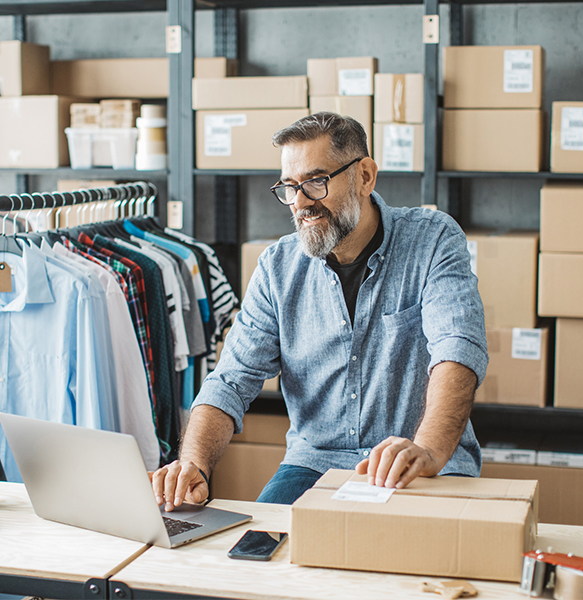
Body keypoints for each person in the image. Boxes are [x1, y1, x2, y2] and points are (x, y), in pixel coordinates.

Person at [152, 111, 488, 510]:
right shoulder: (278, 267)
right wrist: (193, 463)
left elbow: (457, 350)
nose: (300, 203)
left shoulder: (432, 240)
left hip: (417, 463)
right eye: (289, 188)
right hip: (314, 467)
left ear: (365, 176)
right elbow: (231, 380)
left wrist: (429, 449)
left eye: (315, 182)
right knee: (257, 556)